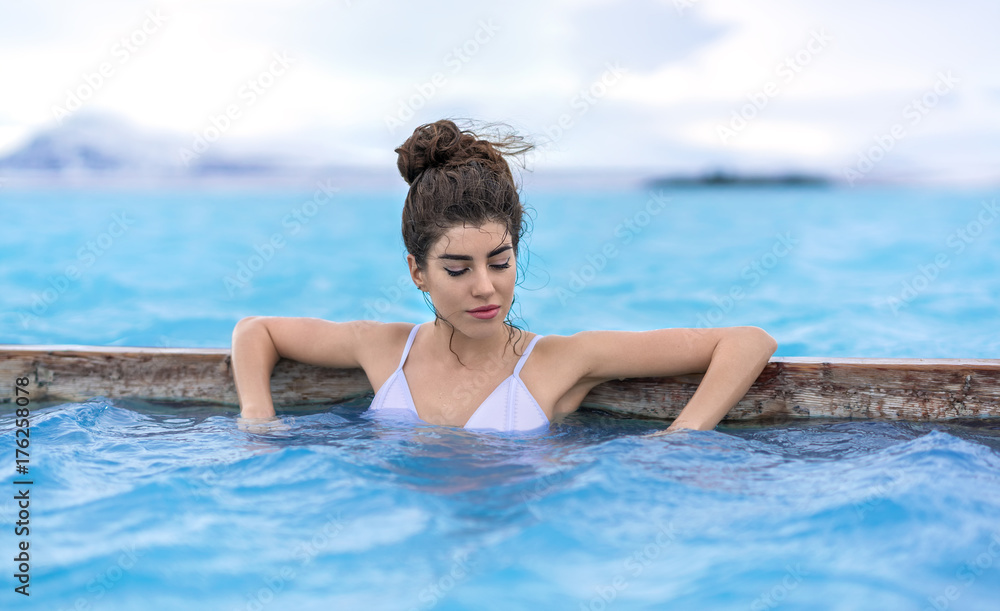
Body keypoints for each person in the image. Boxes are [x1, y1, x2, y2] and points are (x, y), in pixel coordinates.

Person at [231, 119, 777, 434]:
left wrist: (681, 438)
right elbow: (256, 330)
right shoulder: (383, 349)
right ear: (417, 272)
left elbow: (747, 341)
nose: (486, 287)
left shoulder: (563, 360)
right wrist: (257, 419)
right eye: (456, 268)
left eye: (500, 261)